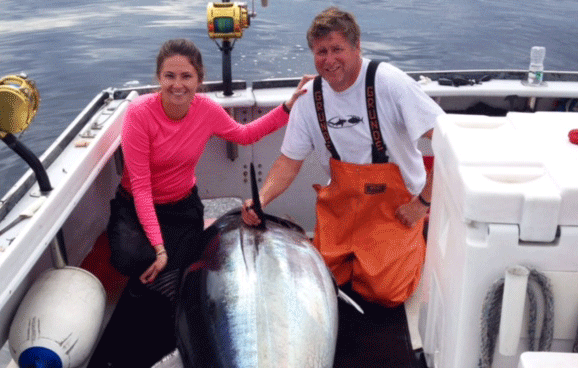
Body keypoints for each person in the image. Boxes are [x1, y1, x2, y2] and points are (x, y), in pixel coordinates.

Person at [242, 8, 444, 307]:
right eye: (321, 51)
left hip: (396, 209)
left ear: (357, 46)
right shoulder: (310, 97)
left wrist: (423, 204)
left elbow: (449, 141)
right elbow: (288, 161)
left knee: (386, 293)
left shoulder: (389, 83)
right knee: (319, 284)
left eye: (337, 49)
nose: (329, 60)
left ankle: (417, 239)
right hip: (342, 206)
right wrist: (261, 200)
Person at [108, 38, 311, 302]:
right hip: (136, 205)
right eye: (169, 76)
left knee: (188, 266)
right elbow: (142, 189)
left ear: (199, 80)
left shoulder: (206, 110)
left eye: (186, 76)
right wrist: (158, 249)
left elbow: (245, 134)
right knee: (131, 259)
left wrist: (287, 108)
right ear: (158, 77)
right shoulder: (139, 113)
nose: (177, 85)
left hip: (182, 208)